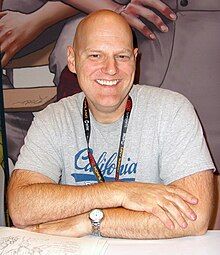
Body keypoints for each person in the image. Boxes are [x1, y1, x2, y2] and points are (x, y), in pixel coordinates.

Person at [7, 10, 214, 239]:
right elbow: (21, 208)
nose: (111, 69)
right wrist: (121, 193)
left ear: (135, 59)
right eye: (95, 55)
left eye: (122, 56)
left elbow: (195, 216)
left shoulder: (173, 111)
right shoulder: (53, 119)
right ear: (73, 59)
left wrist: (91, 221)